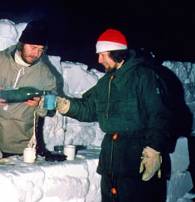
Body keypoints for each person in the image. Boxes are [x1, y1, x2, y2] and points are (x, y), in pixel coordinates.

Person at [54, 29, 174, 202]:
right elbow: (89, 108)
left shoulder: (144, 75)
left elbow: (160, 114)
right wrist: (64, 105)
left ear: (117, 53)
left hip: (137, 162)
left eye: (103, 55)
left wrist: (154, 150)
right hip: (110, 165)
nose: (99, 60)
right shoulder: (105, 82)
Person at [0, 20, 56, 159]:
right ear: (22, 44)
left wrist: (40, 103)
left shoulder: (44, 73)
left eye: (40, 49)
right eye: (33, 47)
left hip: (22, 142)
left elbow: (52, 102)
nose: (36, 54)